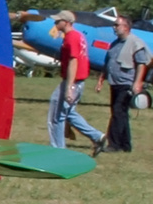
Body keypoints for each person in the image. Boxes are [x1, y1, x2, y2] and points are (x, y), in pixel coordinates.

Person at [46, 10, 105, 154]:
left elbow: (74, 61)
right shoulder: (79, 36)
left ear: (66, 22)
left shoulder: (71, 37)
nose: (55, 23)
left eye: (58, 21)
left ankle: (58, 151)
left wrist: (68, 87)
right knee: (69, 113)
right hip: (79, 81)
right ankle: (97, 136)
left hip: (72, 81)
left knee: (56, 116)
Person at [100, 14, 151, 153]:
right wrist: (101, 79)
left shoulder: (136, 43)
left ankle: (114, 144)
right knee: (120, 113)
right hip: (114, 83)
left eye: (117, 25)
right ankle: (126, 145)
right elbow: (108, 62)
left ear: (126, 27)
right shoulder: (115, 43)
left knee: (118, 112)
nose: (114, 27)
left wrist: (138, 82)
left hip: (127, 83)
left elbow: (142, 64)